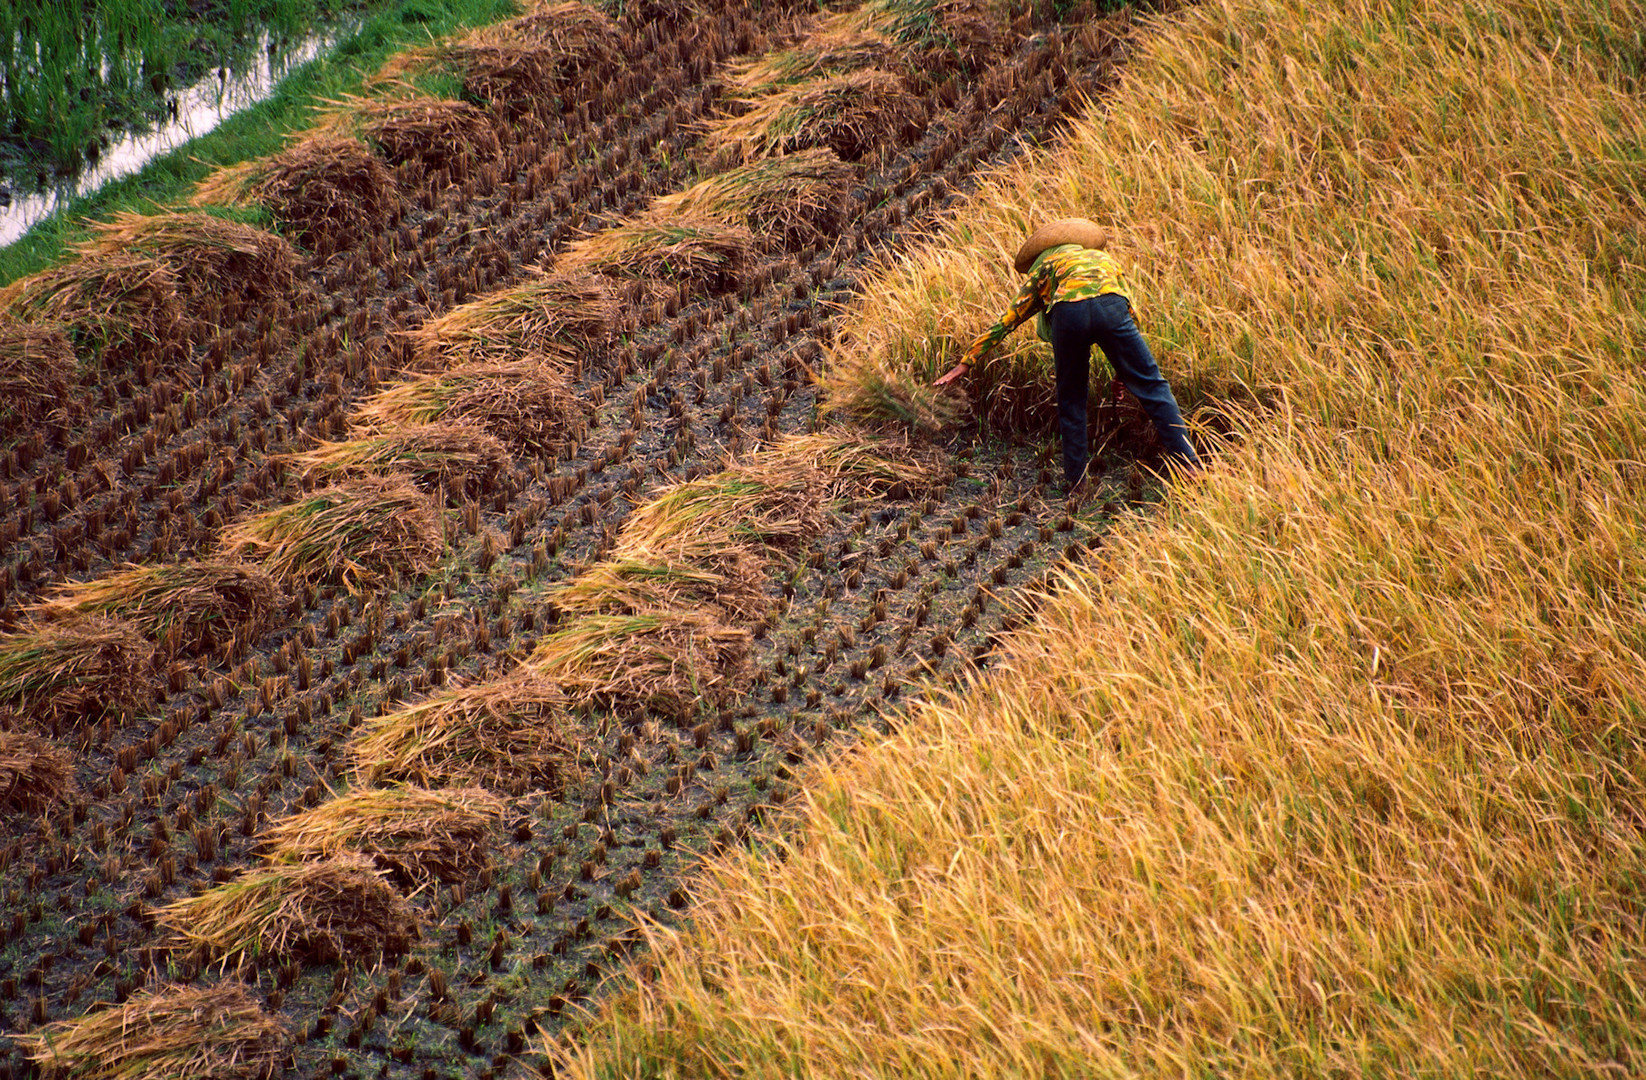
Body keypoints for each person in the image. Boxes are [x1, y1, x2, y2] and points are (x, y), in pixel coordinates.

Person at [934, 218, 1200, 490]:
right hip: (1112, 308)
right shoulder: (1102, 259)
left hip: (1069, 315)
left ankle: (1076, 482)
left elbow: (1007, 321)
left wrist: (966, 363)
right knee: (1153, 386)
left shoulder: (1047, 266)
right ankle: (1190, 463)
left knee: (1072, 399)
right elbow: (1130, 313)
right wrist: (1123, 373)